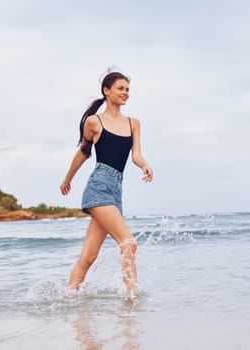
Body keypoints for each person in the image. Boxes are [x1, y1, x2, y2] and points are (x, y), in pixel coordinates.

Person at [60, 71, 153, 298]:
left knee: (89, 256)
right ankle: (132, 298)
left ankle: (68, 298)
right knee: (128, 243)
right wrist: (67, 179)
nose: (125, 93)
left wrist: (144, 166)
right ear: (106, 90)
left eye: (128, 90)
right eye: (121, 88)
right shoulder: (95, 122)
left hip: (116, 191)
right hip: (99, 187)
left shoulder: (133, 123)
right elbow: (83, 153)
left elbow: (136, 155)